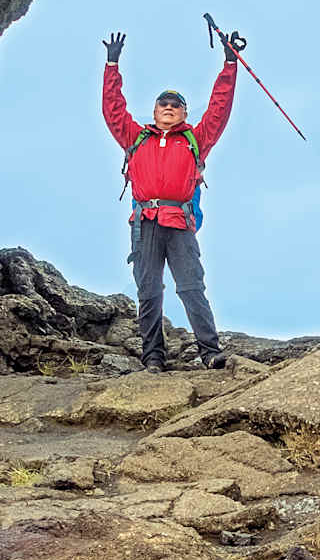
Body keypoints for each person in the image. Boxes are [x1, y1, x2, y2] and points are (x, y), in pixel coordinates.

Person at [101, 30, 238, 371]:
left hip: (179, 223)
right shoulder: (136, 138)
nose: (169, 108)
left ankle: (210, 352)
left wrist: (230, 62)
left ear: (184, 113)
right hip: (145, 223)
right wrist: (112, 65)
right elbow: (113, 110)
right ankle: (153, 358)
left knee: (191, 287)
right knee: (149, 291)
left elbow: (219, 110)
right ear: (154, 110)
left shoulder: (196, 139)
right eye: (163, 103)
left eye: (176, 105)